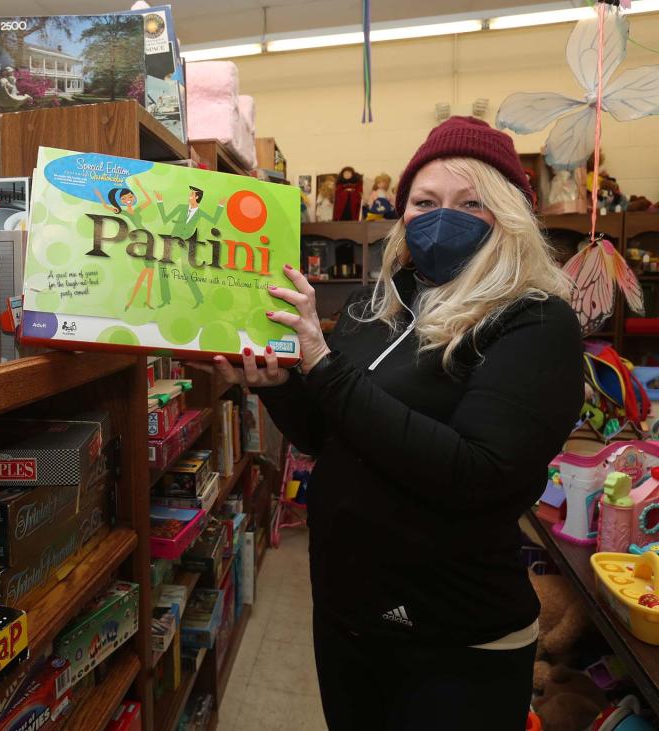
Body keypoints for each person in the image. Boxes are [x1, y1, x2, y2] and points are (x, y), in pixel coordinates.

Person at [209, 117, 583, 729]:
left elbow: (476, 472)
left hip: (453, 640)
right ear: (403, 213)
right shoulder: (373, 304)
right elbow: (331, 438)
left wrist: (323, 367)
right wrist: (280, 390)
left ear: (510, 216)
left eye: (472, 203)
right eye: (425, 201)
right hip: (347, 619)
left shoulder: (535, 323)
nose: (444, 217)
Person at [154, 186, 226, 308]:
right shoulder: (181, 208)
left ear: (197, 197)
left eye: (192, 194)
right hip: (173, 241)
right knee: (162, 266)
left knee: (186, 270)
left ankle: (199, 298)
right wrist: (160, 201)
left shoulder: (200, 213)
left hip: (186, 244)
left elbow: (213, 220)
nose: (189, 196)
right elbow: (166, 218)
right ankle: (166, 299)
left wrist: (220, 206)